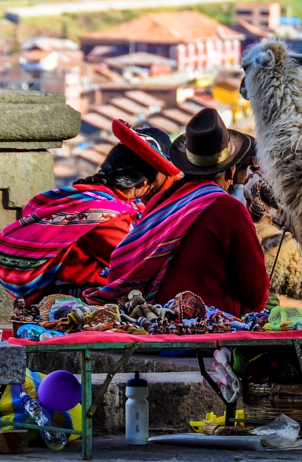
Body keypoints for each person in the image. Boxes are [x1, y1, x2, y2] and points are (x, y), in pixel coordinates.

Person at [85, 109, 269, 316]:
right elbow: (256, 294)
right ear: (230, 171)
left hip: (154, 318)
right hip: (209, 324)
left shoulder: (159, 203)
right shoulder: (228, 208)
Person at [0, 120, 182, 305]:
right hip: (77, 299)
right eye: (154, 184)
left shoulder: (87, 198)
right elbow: (136, 260)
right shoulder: (109, 216)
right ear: (143, 184)